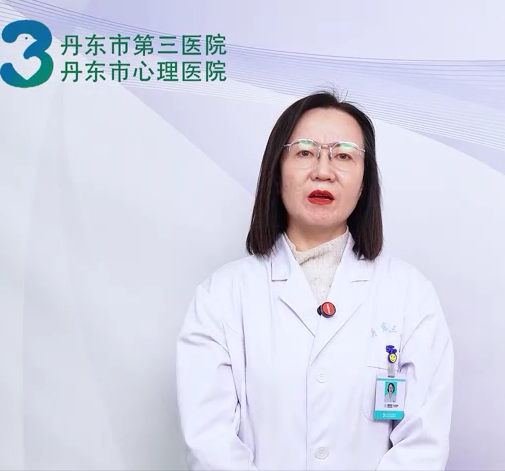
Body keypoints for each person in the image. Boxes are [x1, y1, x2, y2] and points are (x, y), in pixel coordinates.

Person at [175, 91, 455, 471]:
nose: (323, 171)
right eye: (305, 152)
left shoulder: (409, 294)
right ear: (277, 173)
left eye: (344, 155)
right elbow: (211, 443)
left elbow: (422, 445)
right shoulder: (222, 296)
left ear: (364, 181)